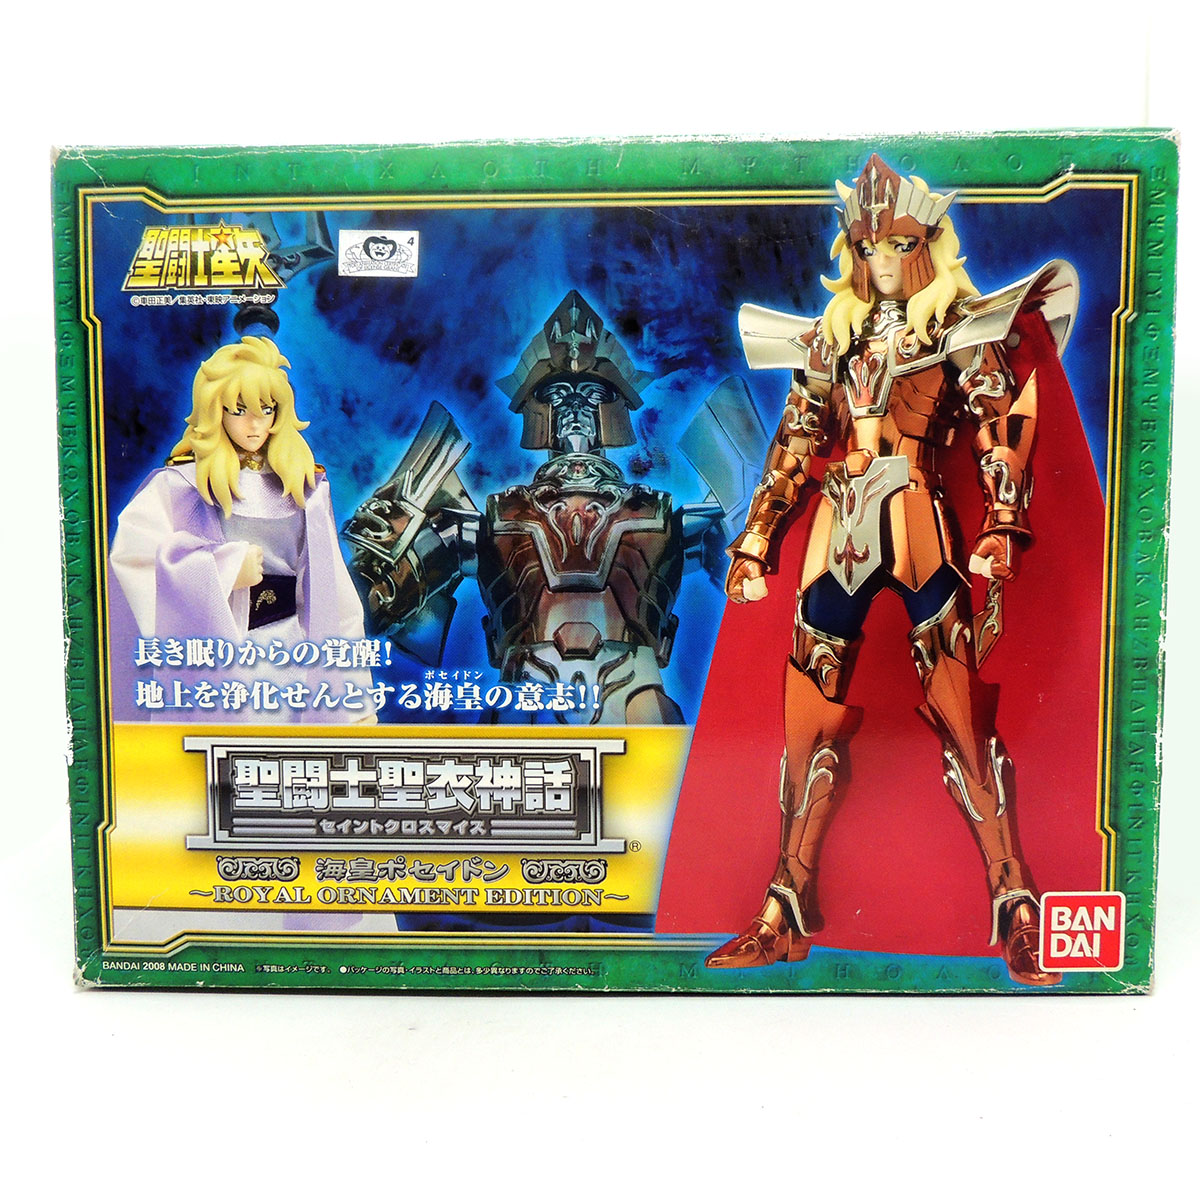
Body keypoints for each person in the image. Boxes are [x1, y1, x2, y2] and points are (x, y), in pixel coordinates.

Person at [704, 155, 1080, 985]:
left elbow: (996, 428)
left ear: (926, 245)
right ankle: (782, 909)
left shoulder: (957, 329)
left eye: (897, 244)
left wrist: (1003, 523)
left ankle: (1015, 901)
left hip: (915, 516)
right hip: (838, 524)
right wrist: (756, 539)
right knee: (806, 720)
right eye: (866, 245)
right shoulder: (831, 338)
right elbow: (796, 442)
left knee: (960, 713)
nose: (879, 259)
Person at [109, 336, 373, 723]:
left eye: (266, 410)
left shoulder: (305, 489)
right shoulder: (179, 486)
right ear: (216, 411)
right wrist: (223, 569)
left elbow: (335, 600)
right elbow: (135, 563)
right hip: (221, 658)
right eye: (239, 410)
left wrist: (355, 700)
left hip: (292, 655)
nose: (254, 424)